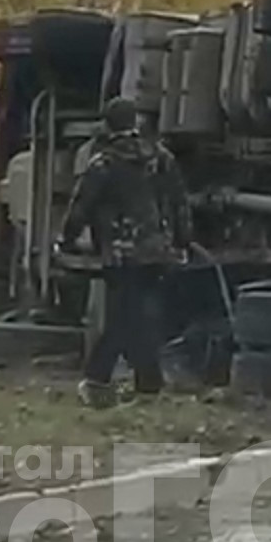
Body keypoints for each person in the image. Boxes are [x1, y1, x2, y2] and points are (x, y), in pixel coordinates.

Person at [58, 97, 192, 407]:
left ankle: (98, 378)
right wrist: (183, 241)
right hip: (159, 250)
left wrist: (65, 241)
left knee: (122, 317)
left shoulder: (103, 164)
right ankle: (148, 383)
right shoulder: (162, 158)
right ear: (136, 122)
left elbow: (81, 207)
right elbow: (180, 202)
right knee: (139, 315)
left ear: (107, 125)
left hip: (121, 253)